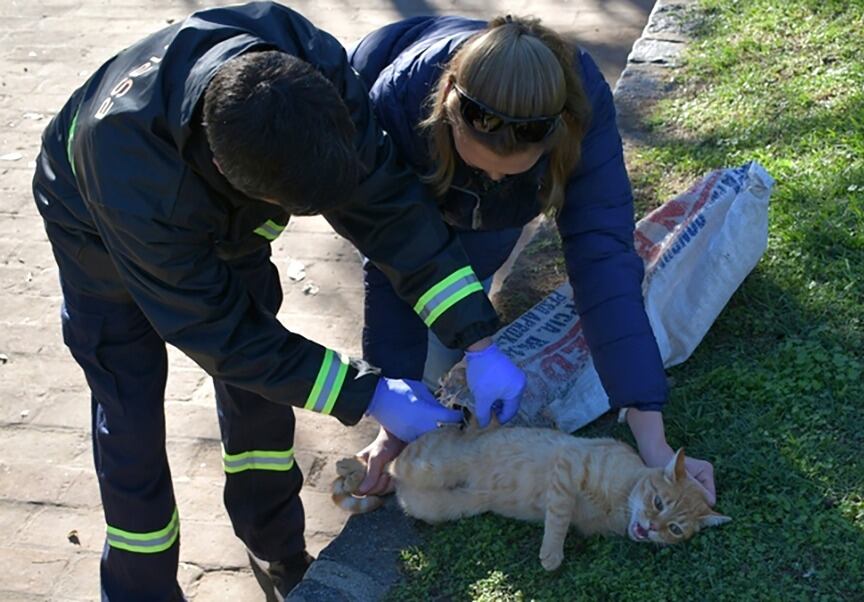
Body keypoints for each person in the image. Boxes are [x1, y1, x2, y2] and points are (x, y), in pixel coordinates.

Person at [32, 3, 525, 601]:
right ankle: (141, 591)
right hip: (95, 230)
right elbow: (223, 335)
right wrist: (365, 392)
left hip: (217, 205)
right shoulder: (131, 173)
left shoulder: (302, 57)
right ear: (225, 170)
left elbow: (386, 204)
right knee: (130, 409)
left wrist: (477, 338)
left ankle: (277, 545)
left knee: (262, 398)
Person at [348, 15, 718, 503]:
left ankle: (455, 350)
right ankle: (419, 398)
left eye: (511, 173)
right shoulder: (393, 105)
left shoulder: (581, 110)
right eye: (483, 166)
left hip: (488, 212)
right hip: (396, 129)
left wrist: (653, 438)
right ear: (448, 114)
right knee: (419, 299)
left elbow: (602, 261)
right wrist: (391, 411)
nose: (496, 180)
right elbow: (395, 255)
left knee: (465, 284)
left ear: (554, 139)